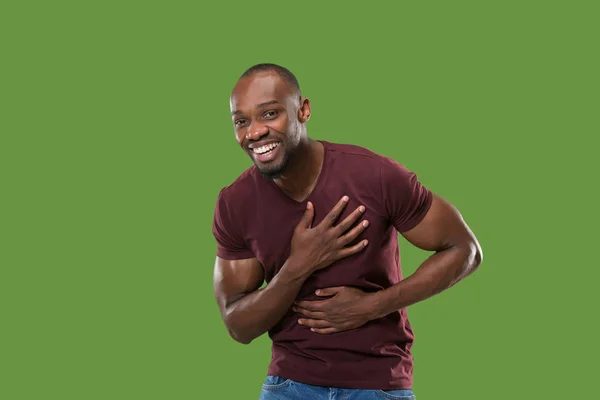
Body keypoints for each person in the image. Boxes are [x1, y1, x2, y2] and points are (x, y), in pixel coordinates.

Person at [212, 63, 483, 400]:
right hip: (288, 386)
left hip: (378, 386)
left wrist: (374, 305)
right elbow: (238, 326)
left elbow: (464, 249)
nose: (254, 132)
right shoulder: (236, 203)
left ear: (303, 110)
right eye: (241, 121)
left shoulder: (373, 176)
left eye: (269, 114)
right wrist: (298, 266)